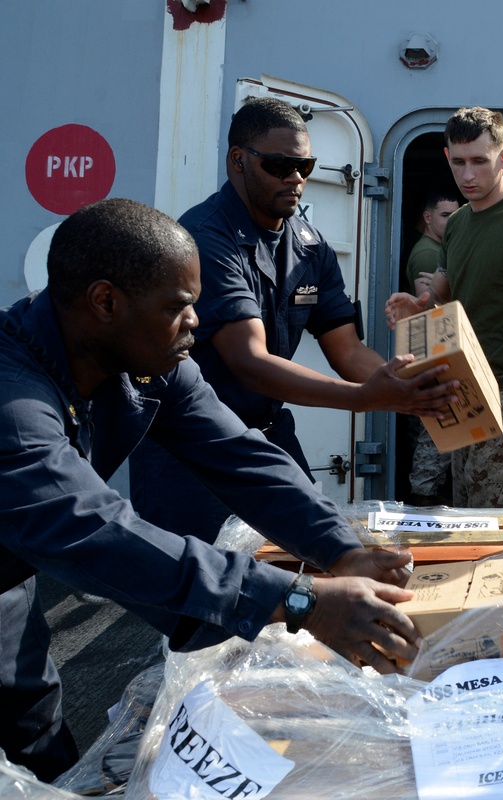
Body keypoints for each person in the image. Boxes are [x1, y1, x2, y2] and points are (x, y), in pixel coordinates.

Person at [0, 198, 421, 782]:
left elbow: (240, 456)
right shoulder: (13, 404)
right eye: (179, 306)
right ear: (105, 303)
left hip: (10, 579)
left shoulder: (151, 361)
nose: (196, 321)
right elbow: (91, 528)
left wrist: (338, 548)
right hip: (33, 545)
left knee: (36, 740)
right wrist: (298, 601)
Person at [130, 97, 457, 542]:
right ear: (238, 161)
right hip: (194, 441)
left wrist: (401, 385)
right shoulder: (206, 239)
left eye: (305, 164)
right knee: (207, 589)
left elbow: (346, 348)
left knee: (314, 552)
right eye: (281, 164)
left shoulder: (309, 245)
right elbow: (251, 363)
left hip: (267, 433)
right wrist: (369, 397)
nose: (297, 178)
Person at [385, 107, 503, 508]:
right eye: (458, 162)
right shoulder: (456, 225)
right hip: (464, 396)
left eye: (480, 161)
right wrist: (416, 308)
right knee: (467, 531)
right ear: (448, 159)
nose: (468, 175)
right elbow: (441, 296)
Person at [404, 190, 460, 505]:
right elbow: (431, 314)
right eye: (444, 216)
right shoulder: (428, 254)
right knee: (433, 447)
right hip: (434, 362)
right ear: (428, 218)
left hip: (433, 362)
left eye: (456, 215)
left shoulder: (441, 248)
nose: (451, 222)